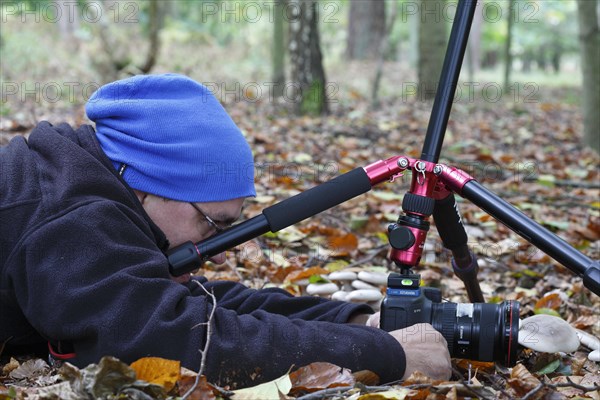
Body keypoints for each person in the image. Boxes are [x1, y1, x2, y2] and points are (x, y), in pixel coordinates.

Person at [0, 74, 451, 387]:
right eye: (213, 225)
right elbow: (172, 339)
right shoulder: (69, 216)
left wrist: (353, 321)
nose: (214, 251)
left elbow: (195, 303)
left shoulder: (93, 185)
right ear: (146, 188)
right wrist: (386, 356)